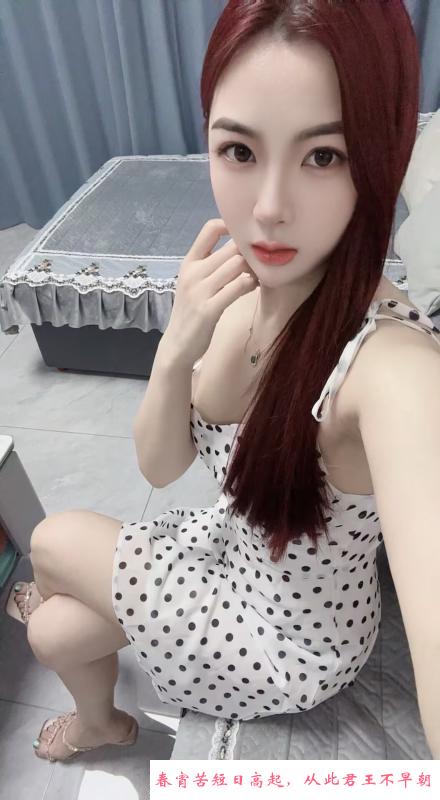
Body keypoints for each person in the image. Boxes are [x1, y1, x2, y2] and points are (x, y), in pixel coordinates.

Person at [5, 0, 440, 762]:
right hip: (232, 552)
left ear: (379, 156)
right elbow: (160, 465)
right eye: (240, 150)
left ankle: (56, 586)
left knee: (51, 539)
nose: (269, 210)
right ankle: (103, 722)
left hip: (290, 642)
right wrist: (177, 343)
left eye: (323, 156)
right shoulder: (241, 286)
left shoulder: (390, 367)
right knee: (52, 632)